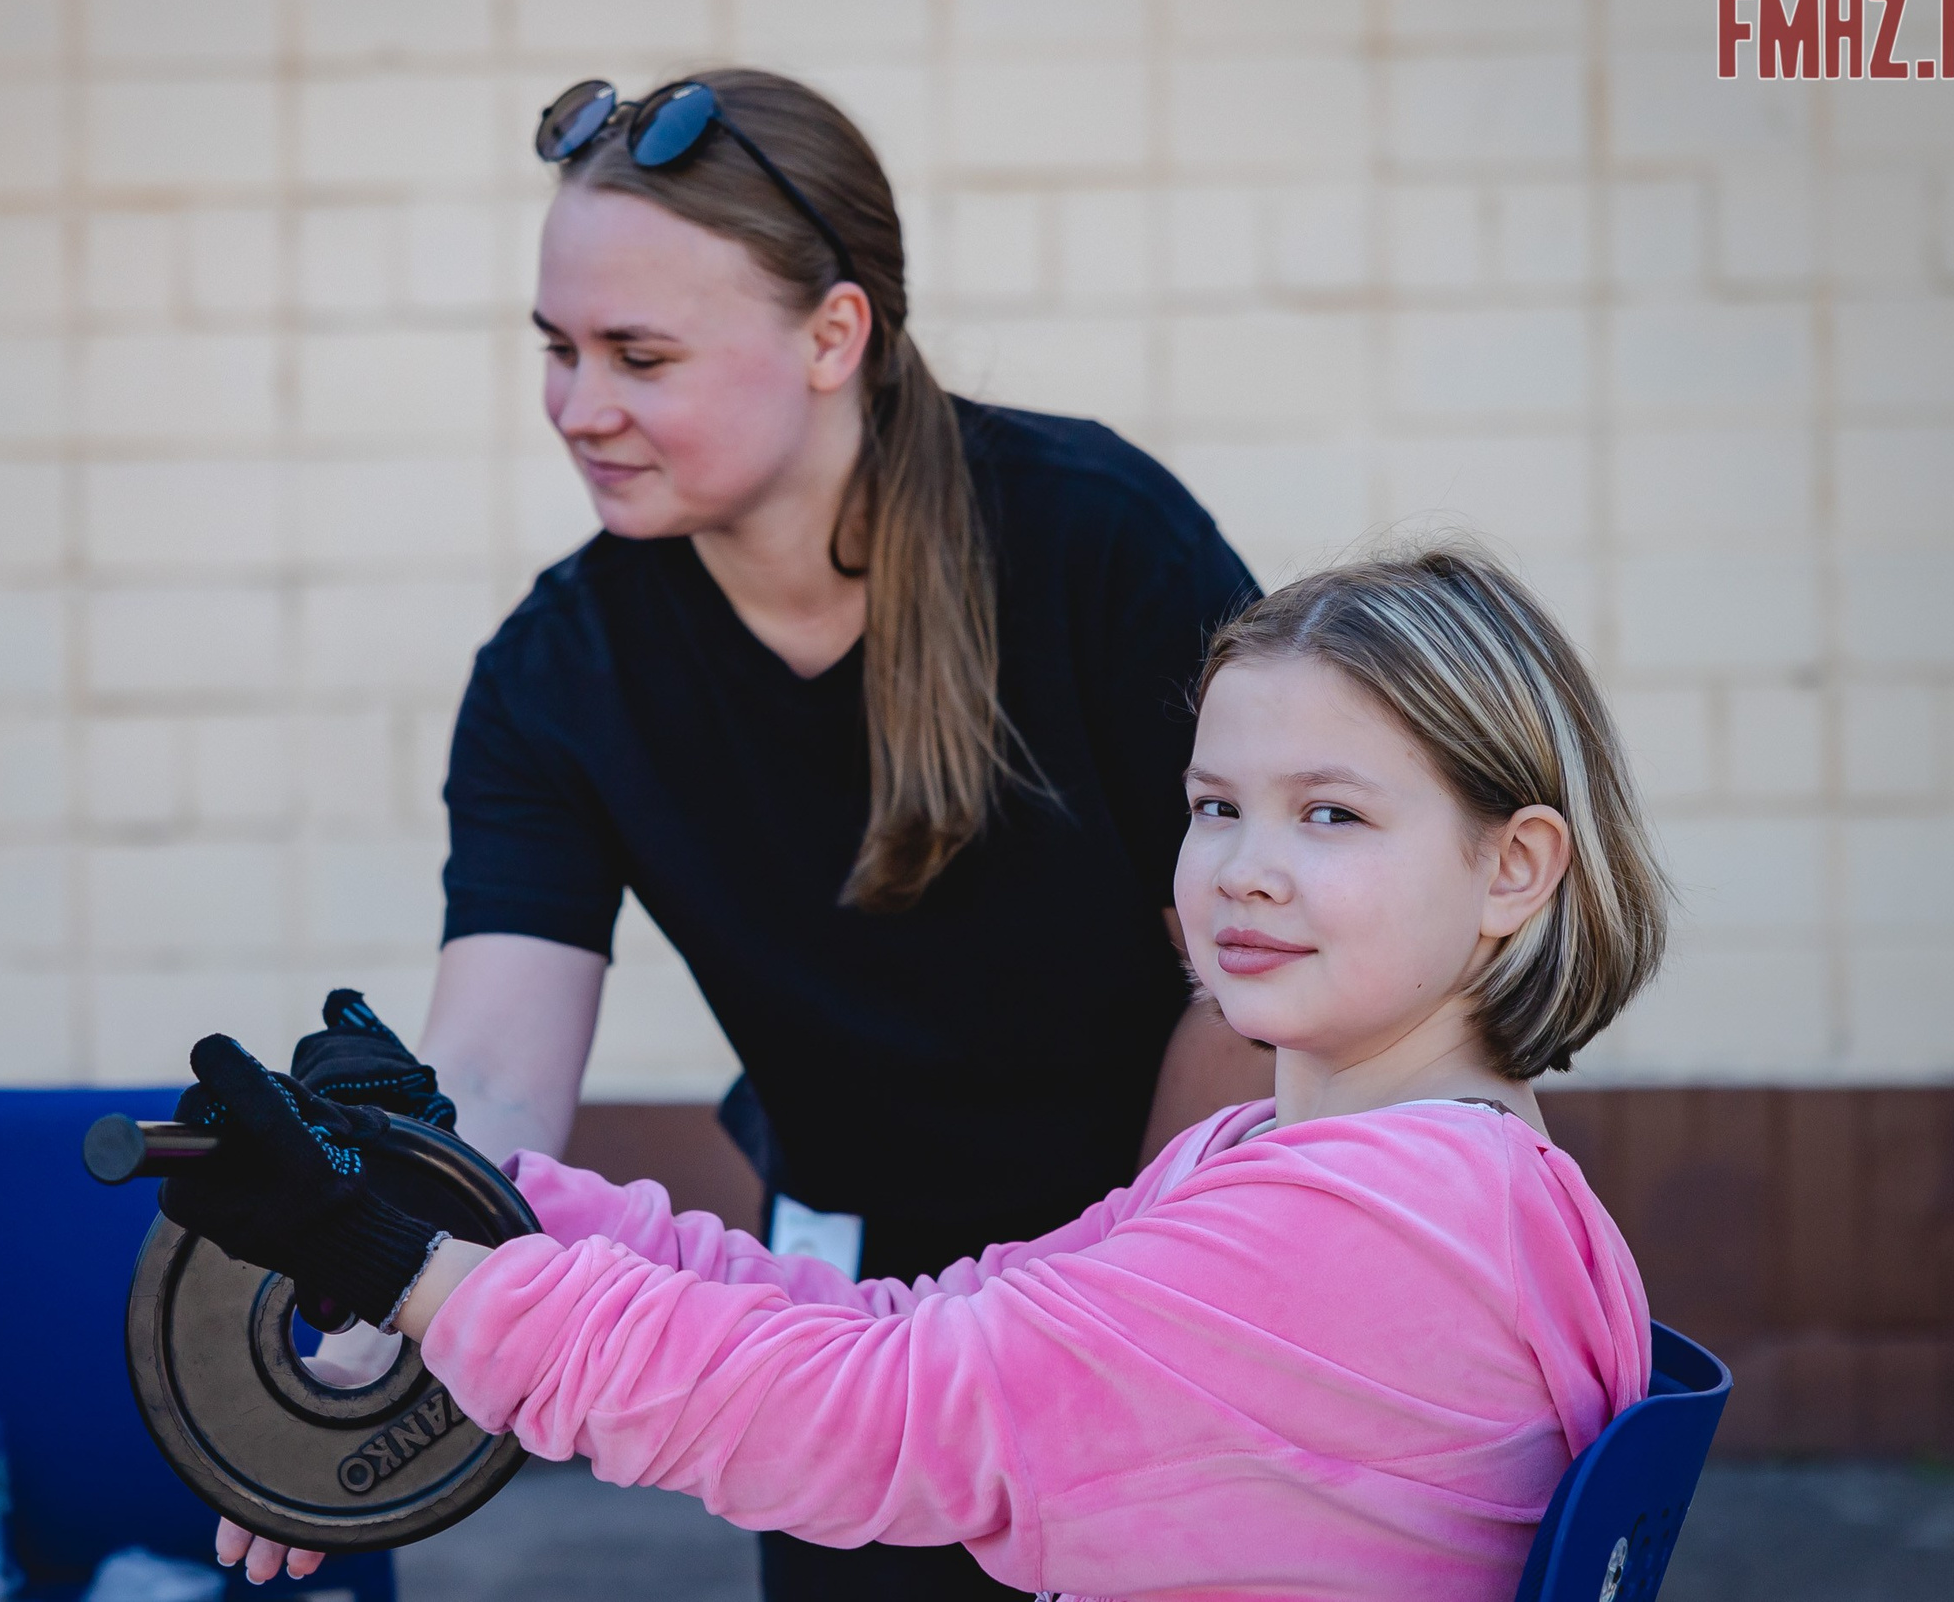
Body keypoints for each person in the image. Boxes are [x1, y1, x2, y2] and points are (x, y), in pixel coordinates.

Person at [164, 546, 1671, 1601]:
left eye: (1331, 815)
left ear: (1512, 870)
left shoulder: (1375, 1213)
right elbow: (917, 1325)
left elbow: (886, 1414)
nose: (1245, 872)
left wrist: (408, 1268)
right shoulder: (1374, 1172)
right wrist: (476, 1200)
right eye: (1216, 807)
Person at [304, 67, 1266, 1597]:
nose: (578, 406)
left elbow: (1253, 969)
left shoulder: (1100, 541)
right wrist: (374, 1312)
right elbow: (488, 1074)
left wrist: (1118, 1307)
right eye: (556, 350)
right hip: (847, 1319)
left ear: (834, 336)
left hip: (1166, 1265)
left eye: (641, 354)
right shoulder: (560, 675)